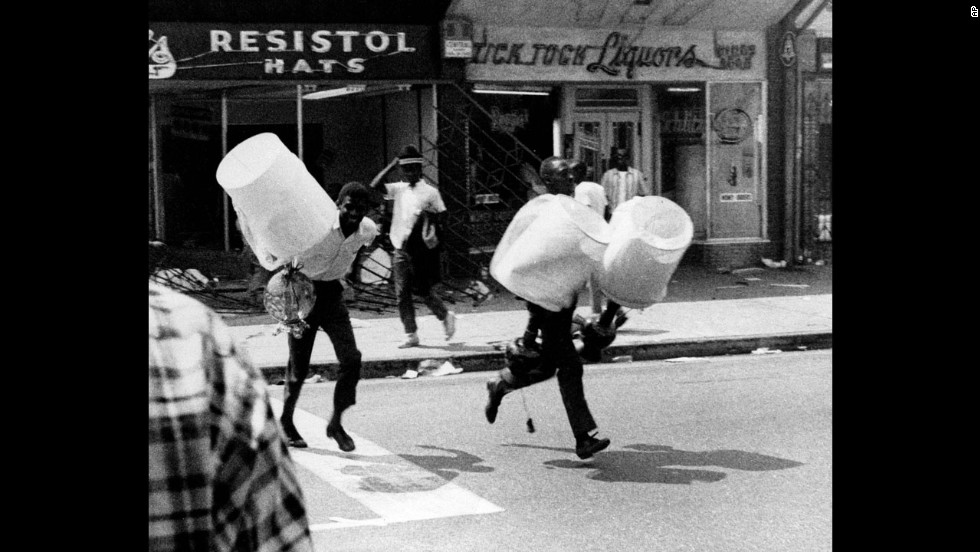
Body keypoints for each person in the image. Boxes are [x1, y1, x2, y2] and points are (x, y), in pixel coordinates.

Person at [148, 281, 313, 552]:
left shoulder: (192, 339)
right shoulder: (191, 338)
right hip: (296, 302)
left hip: (314, 301)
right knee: (297, 369)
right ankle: (290, 420)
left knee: (335, 361)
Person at [484, 156, 611, 460]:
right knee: (570, 366)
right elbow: (528, 254)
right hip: (544, 301)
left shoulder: (573, 209)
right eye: (564, 174)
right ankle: (583, 438)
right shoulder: (542, 209)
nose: (571, 178)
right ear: (549, 181)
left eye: (571, 173)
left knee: (545, 367)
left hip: (563, 298)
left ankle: (500, 384)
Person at [280, 182, 379, 452]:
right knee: (298, 366)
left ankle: (336, 423)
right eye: (349, 207)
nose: (354, 213)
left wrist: (353, 275)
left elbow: (362, 247)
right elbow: (287, 253)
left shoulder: (367, 229)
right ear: (338, 204)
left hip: (333, 295)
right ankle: (286, 422)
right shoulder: (318, 227)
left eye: (360, 209)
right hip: (303, 293)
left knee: (352, 359)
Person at [370, 145, 456, 348]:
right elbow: (374, 185)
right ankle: (411, 334)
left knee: (423, 291)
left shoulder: (431, 192)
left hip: (421, 250)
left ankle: (445, 315)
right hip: (400, 248)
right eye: (405, 170)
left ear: (420, 169)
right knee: (401, 294)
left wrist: (429, 220)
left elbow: (443, 216)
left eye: (413, 169)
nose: (409, 173)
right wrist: (392, 164)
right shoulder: (398, 189)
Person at [570, 160, 608, 315]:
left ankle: (597, 312)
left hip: (589, 236)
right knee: (595, 276)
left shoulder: (581, 190)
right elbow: (606, 209)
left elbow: (584, 212)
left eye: (571, 173)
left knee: (592, 278)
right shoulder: (597, 187)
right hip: (601, 233)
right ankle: (607, 309)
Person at [600, 147, 650, 219]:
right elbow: (602, 195)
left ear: (627, 158)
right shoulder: (608, 175)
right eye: (618, 156)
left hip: (631, 215)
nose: (620, 158)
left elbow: (645, 194)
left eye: (623, 156)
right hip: (613, 215)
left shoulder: (637, 174)